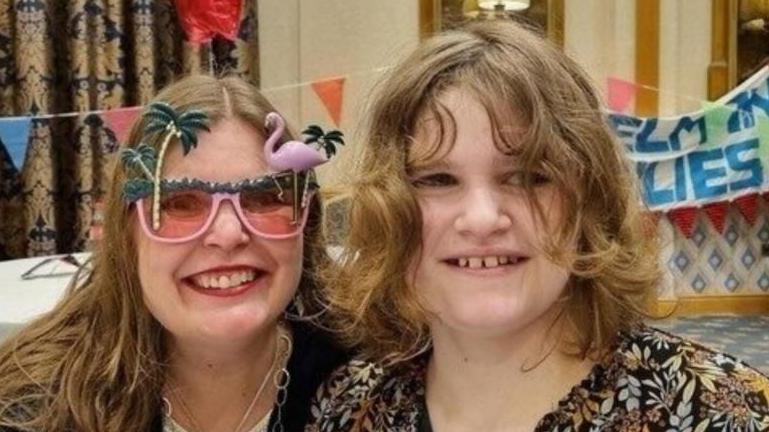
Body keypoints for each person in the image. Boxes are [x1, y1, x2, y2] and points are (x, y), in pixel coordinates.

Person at [309, 20, 769, 431]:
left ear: (588, 200)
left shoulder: (721, 414)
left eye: (529, 177)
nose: (483, 218)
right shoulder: (349, 408)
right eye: (437, 179)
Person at [0, 74, 347, 432]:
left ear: (307, 224)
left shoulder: (374, 392)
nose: (228, 235)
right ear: (127, 234)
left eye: (263, 198)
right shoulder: (32, 407)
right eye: (181, 203)